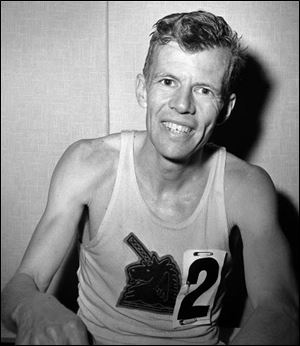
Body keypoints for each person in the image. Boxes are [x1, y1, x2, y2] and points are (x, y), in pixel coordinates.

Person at [1, 9, 298, 345]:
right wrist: (33, 306)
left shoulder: (247, 188)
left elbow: (280, 307)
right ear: (143, 89)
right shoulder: (88, 165)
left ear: (226, 108)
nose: (182, 105)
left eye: (203, 90)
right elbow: (21, 284)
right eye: (168, 82)